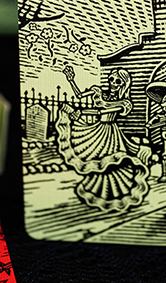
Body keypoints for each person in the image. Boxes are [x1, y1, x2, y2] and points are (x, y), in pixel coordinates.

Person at [56, 65, 150, 212]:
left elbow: (102, 112)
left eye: (118, 81)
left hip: (111, 132)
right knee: (95, 159)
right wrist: (71, 80)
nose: (113, 83)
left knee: (111, 161)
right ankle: (95, 188)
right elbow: (80, 95)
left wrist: (81, 112)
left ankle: (117, 192)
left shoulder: (124, 103)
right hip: (97, 128)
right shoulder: (98, 91)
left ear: (124, 84)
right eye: (111, 79)